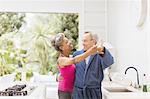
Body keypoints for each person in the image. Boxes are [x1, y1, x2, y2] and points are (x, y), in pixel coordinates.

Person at [51, 33, 98, 99]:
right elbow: (75, 60)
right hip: (65, 92)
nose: (70, 42)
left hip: (73, 91)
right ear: (61, 47)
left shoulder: (70, 56)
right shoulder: (61, 60)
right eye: (67, 42)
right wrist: (90, 52)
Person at [72, 31, 114, 99]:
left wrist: (103, 50)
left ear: (93, 41)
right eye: (82, 41)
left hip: (93, 93)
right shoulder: (77, 54)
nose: (83, 43)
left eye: (85, 41)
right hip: (79, 93)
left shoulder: (99, 55)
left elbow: (109, 62)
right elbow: (70, 70)